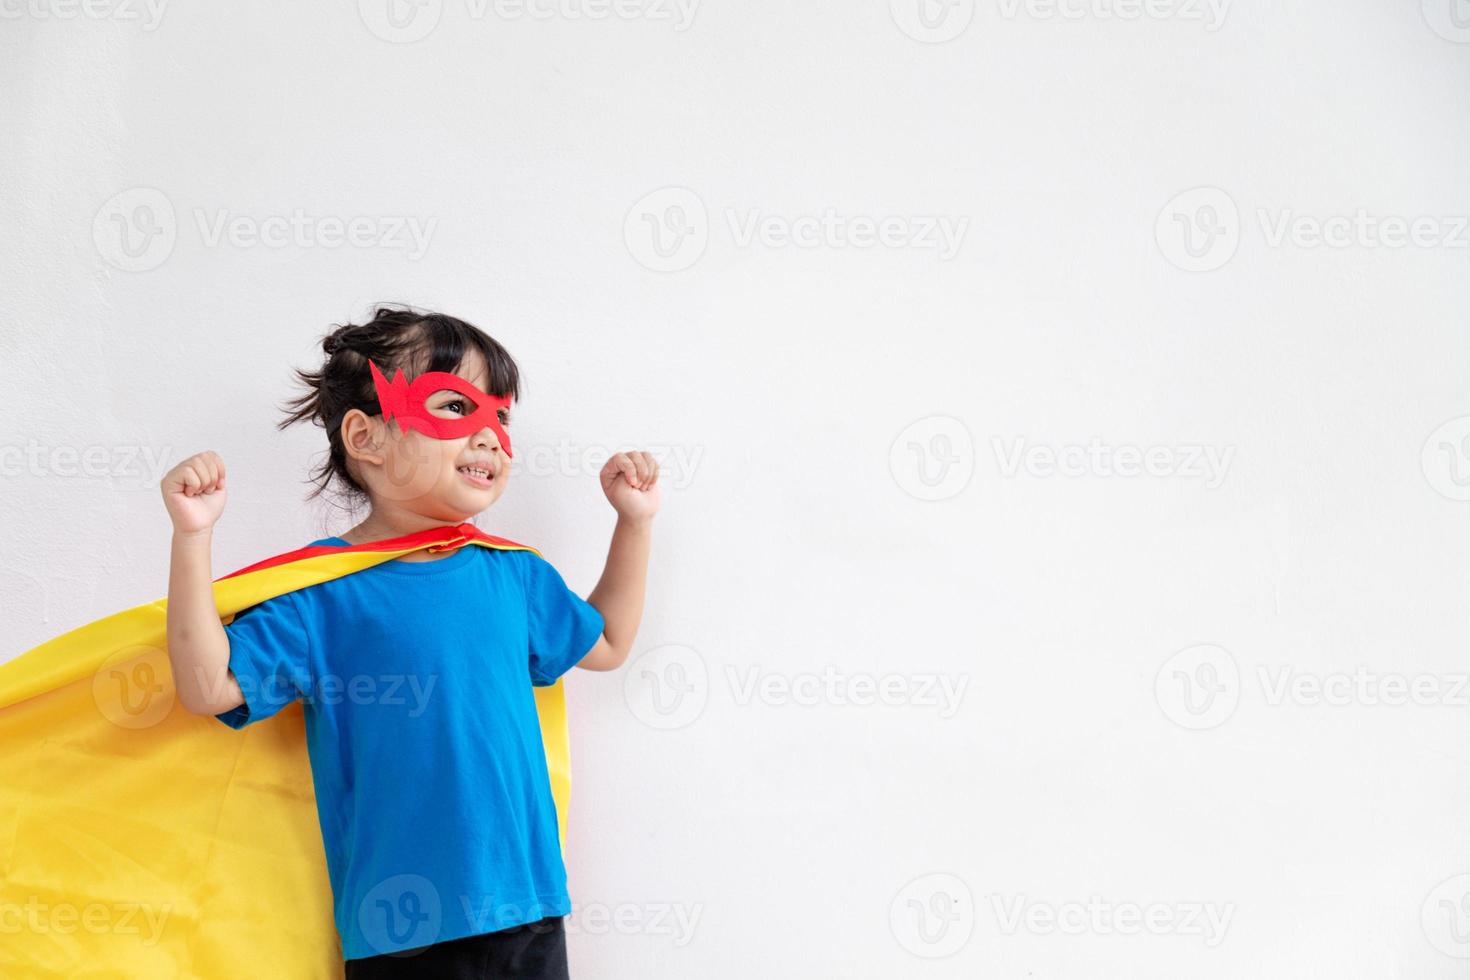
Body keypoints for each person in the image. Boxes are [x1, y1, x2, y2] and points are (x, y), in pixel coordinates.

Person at [159, 306, 660, 978]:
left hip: (528, 908)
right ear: (366, 437)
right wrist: (192, 538)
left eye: (501, 416)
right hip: (401, 930)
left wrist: (635, 524)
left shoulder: (514, 575)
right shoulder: (321, 594)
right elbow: (208, 686)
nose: (489, 436)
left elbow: (610, 643)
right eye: (456, 406)